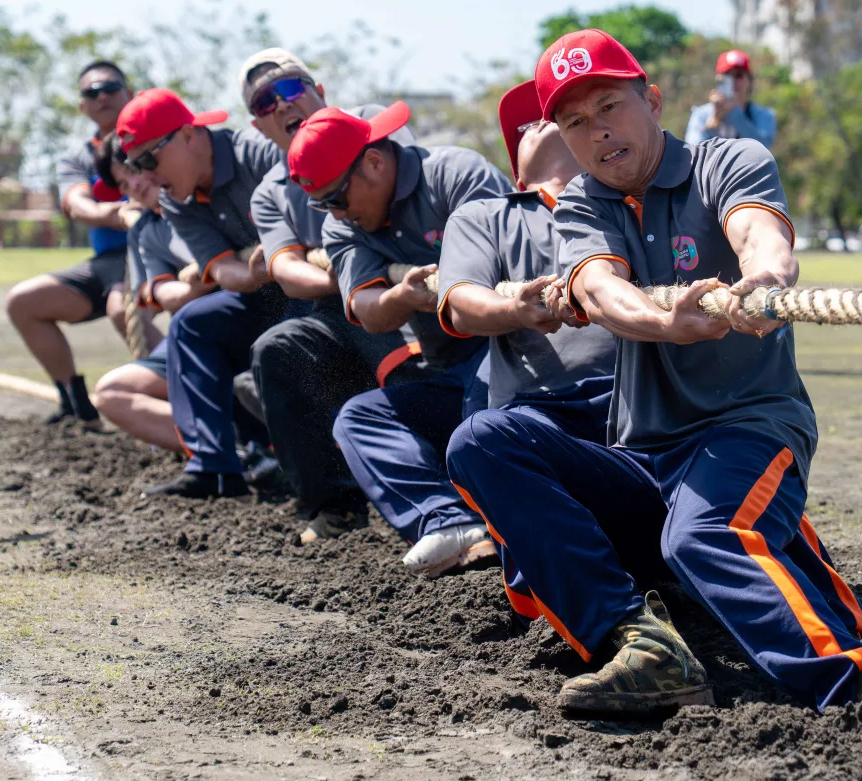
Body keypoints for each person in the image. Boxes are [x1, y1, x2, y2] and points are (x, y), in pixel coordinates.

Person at [448, 29, 862, 715]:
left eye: (609, 106)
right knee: (480, 441)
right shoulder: (582, 205)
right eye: (576, 121)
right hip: (643, 457)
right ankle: (640, 643)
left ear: (653, 100)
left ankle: (859, 687)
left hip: (746, 428)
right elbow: (601, 287)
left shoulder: (728, 160)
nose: (598, 132)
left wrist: (763, 281)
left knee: (702, 533)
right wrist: (667, 323)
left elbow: (760, 233)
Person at [295, 103, 513, 576]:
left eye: (336, 197)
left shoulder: (456, 175)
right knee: (357, 420)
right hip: (445, 365)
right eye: (324, 204)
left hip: (512, 347)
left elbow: (515, 273)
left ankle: (510, 534)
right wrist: (402, 295)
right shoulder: (343, 224)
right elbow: (368, 312)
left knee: (481, 424)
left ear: (374, 162)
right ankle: (451, 521)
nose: (335, 213)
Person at [441, 79, 618, 623]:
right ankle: (618, 622)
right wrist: (516, 309)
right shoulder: (486, 217)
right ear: (515, 168)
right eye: (532, 121)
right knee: (481, 442)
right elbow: (460, 303)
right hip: (547, 424)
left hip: (645, 414)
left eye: (563, 115)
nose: (546, 121)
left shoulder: (634, 203)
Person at [241, 49, 419, 538]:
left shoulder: (372, 130)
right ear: (258, 128)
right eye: (262, 103)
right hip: (341, 308)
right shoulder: (270, 192)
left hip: (418, 295)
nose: (280, 105)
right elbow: (288, 270)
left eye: (291, 88)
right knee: (275, 349)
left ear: (319, 91)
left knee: (398, 347)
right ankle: (333, 504)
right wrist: (353, 278)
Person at [116, 88, 287, 498]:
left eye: (148, 160)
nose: (145, 176)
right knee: (193, 323)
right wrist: (252, 275)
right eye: (133, 164)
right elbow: (223, 267)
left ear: (189, 136)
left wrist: (286, 256)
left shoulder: (260, 154)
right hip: (264, 291)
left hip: (318, 295)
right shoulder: (175, 198)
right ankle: (215, 467)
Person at [6, 60, 136, 424]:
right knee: (24, 303)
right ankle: (75, 405)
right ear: (82, 105)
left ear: (130, 93)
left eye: (111, 88)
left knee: (121, 311)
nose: (102, 96)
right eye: (92, 92)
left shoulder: (153, 138)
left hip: (157, 252)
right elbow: (75, 203)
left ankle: (188, 401)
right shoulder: (78, 156)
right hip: (108, 260)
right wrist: (112, 214)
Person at [91, 133, 215, 450]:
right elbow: (157, 299)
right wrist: (194, 287)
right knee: (112, 393)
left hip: (248, 325)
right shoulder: (146, 230)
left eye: (133, 170)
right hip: (192, 337)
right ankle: (230, 450)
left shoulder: (212, 198)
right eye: (121, 184)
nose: (132, 185)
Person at [684, 49, 777, 149]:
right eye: (727, 75)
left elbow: (764, 147)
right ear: (718, 79)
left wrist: (734, 113)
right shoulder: (700, 114)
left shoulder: (764, 115)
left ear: (749, 80)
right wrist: (714, 121)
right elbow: (692, 151)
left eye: (739, 75)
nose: (733, 82)